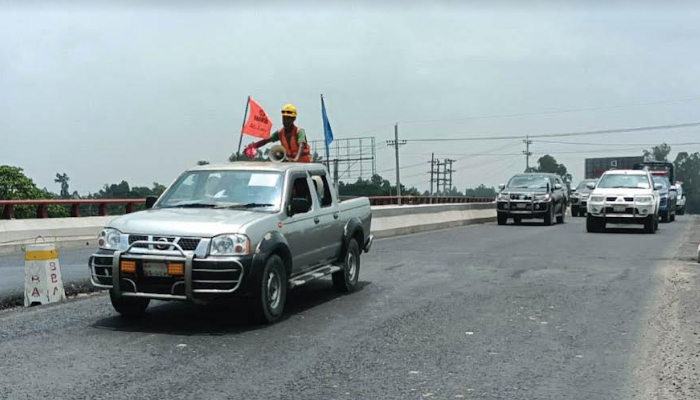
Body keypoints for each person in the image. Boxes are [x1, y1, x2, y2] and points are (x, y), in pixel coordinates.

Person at [245, 104, 311, 163]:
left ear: (294, 119)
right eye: (284, 118)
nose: (286, 121)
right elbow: (267, 140)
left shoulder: (299, 131)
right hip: (291, 164)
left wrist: (296, 159)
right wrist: (254, 146)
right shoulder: (280, 133)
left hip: (304, 165)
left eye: (288, 119)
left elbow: (301, 145)